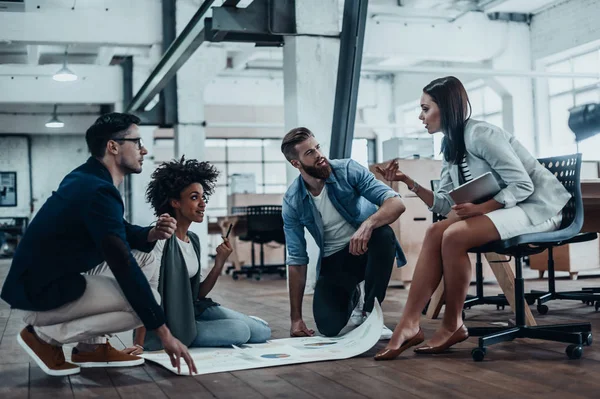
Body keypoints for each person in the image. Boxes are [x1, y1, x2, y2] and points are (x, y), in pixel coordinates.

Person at [374, 76, 571, 360]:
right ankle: (409, 324)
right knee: (436, 232)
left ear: (447, 107)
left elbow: (524, 185)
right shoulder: (451, 146)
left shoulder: (481, 134)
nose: (421, 116)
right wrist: (409, 182)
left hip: (539, 208)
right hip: (505, 209)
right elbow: (444, 205)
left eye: (425, 108)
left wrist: (482, 208)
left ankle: (453, 323)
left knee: (454, 235)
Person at [0, 113, 196, 376]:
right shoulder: (97, 190)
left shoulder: (88, 178)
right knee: (145, 304)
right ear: (113, 147)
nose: (144, 150)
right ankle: (45, 337)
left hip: (42, 284)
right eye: (137, 142)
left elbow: (117, 230)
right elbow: (122, 263)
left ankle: (91, 347)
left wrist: (151, 233)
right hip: (42, 298)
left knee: (146, 258)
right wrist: (163, 332)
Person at [122, 156, 271, 354]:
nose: (202, 204)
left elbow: (197, 294)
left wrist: (219, 263)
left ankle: (244, 320)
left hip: (194, 310)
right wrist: (140, 342)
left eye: (203, 197)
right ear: (175, 202)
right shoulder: (161, 237)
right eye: (194, 197)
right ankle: (238, 321)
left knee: (262, 332)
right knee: (240, 332)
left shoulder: (193, 239)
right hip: (170, 324)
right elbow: (146, 291)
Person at [280, 127, 407, 339]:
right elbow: (296, 260)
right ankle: (353, 294)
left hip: (366, 247)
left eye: (317, 147)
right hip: (335, 261)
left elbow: (396, 203)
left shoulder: (348, 170)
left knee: (383, 234)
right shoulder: (292, 201)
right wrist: (296, 319)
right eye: (309, 153)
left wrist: (367, 225)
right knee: (328, 327)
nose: (320, 156)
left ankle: (370, 313)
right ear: (296, 163)